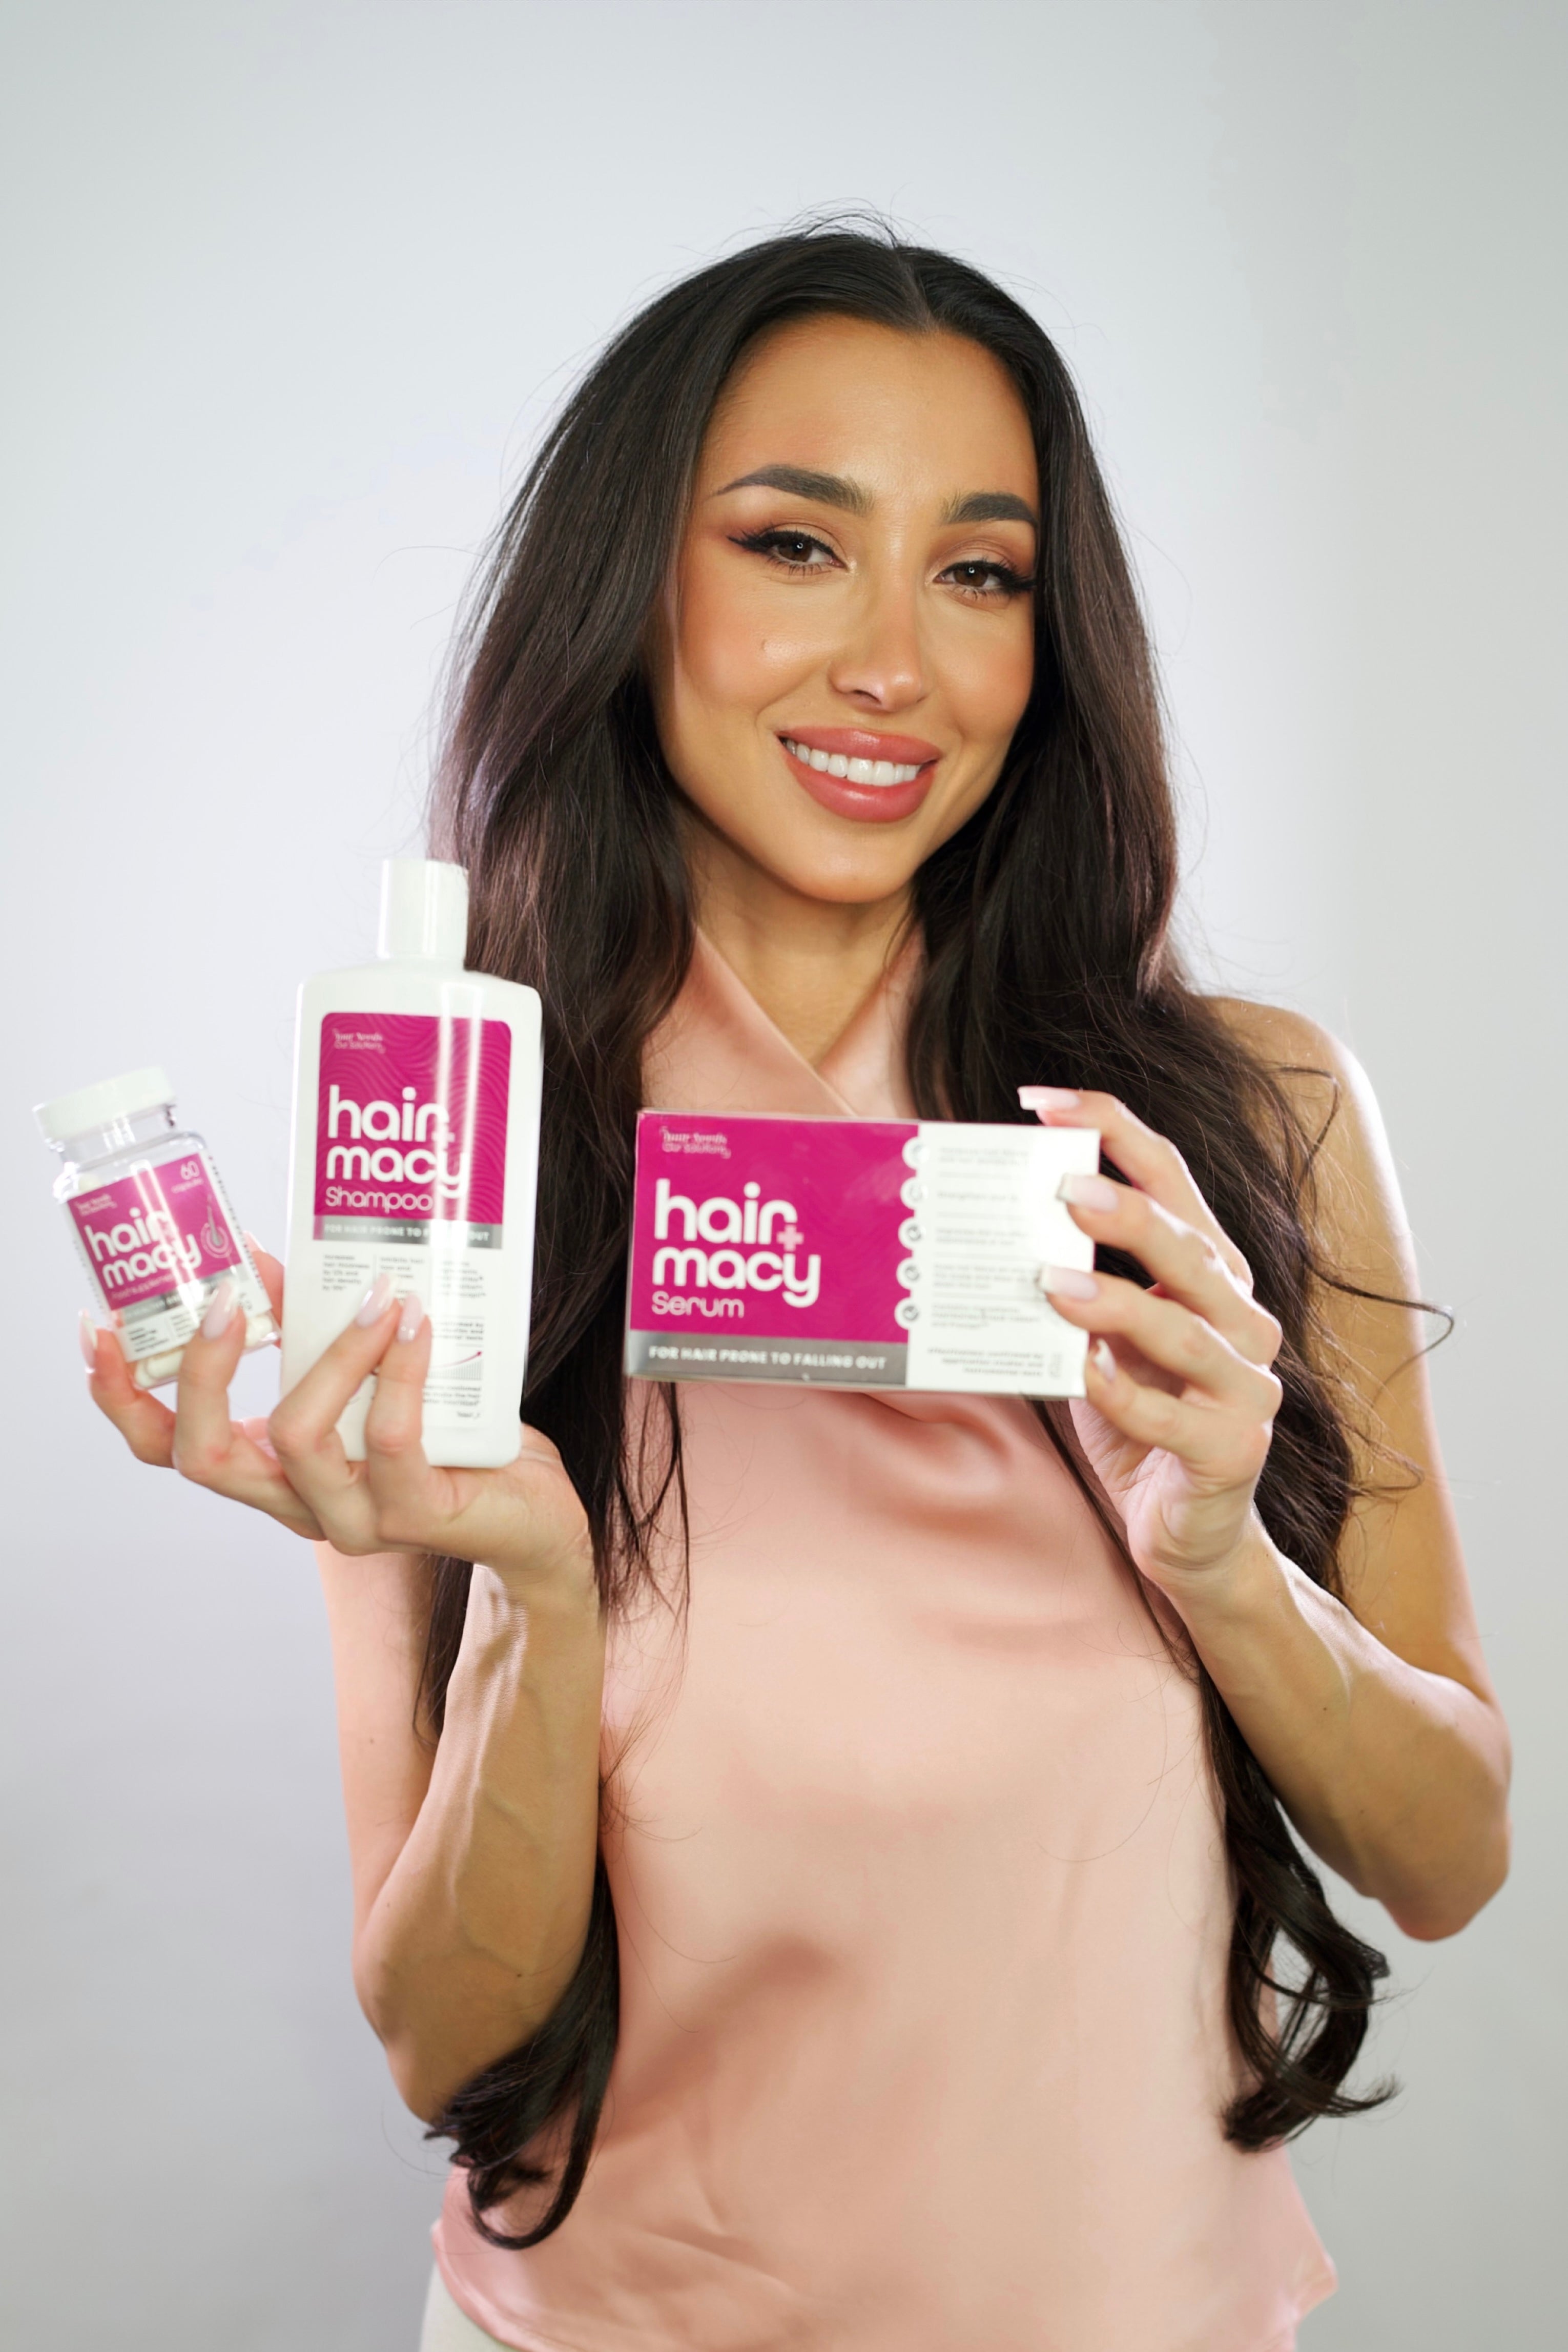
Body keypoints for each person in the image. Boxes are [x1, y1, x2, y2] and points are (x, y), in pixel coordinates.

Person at [86, 229, 1511, 2351]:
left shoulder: (1237, 1120)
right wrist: (538, 1593)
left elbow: (1448, 1855)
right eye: (794, 544)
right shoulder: (462, 1146)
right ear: (630, 587)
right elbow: (444, 2040)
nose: (895, 665)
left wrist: (1224, 1564)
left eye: (980, 573)